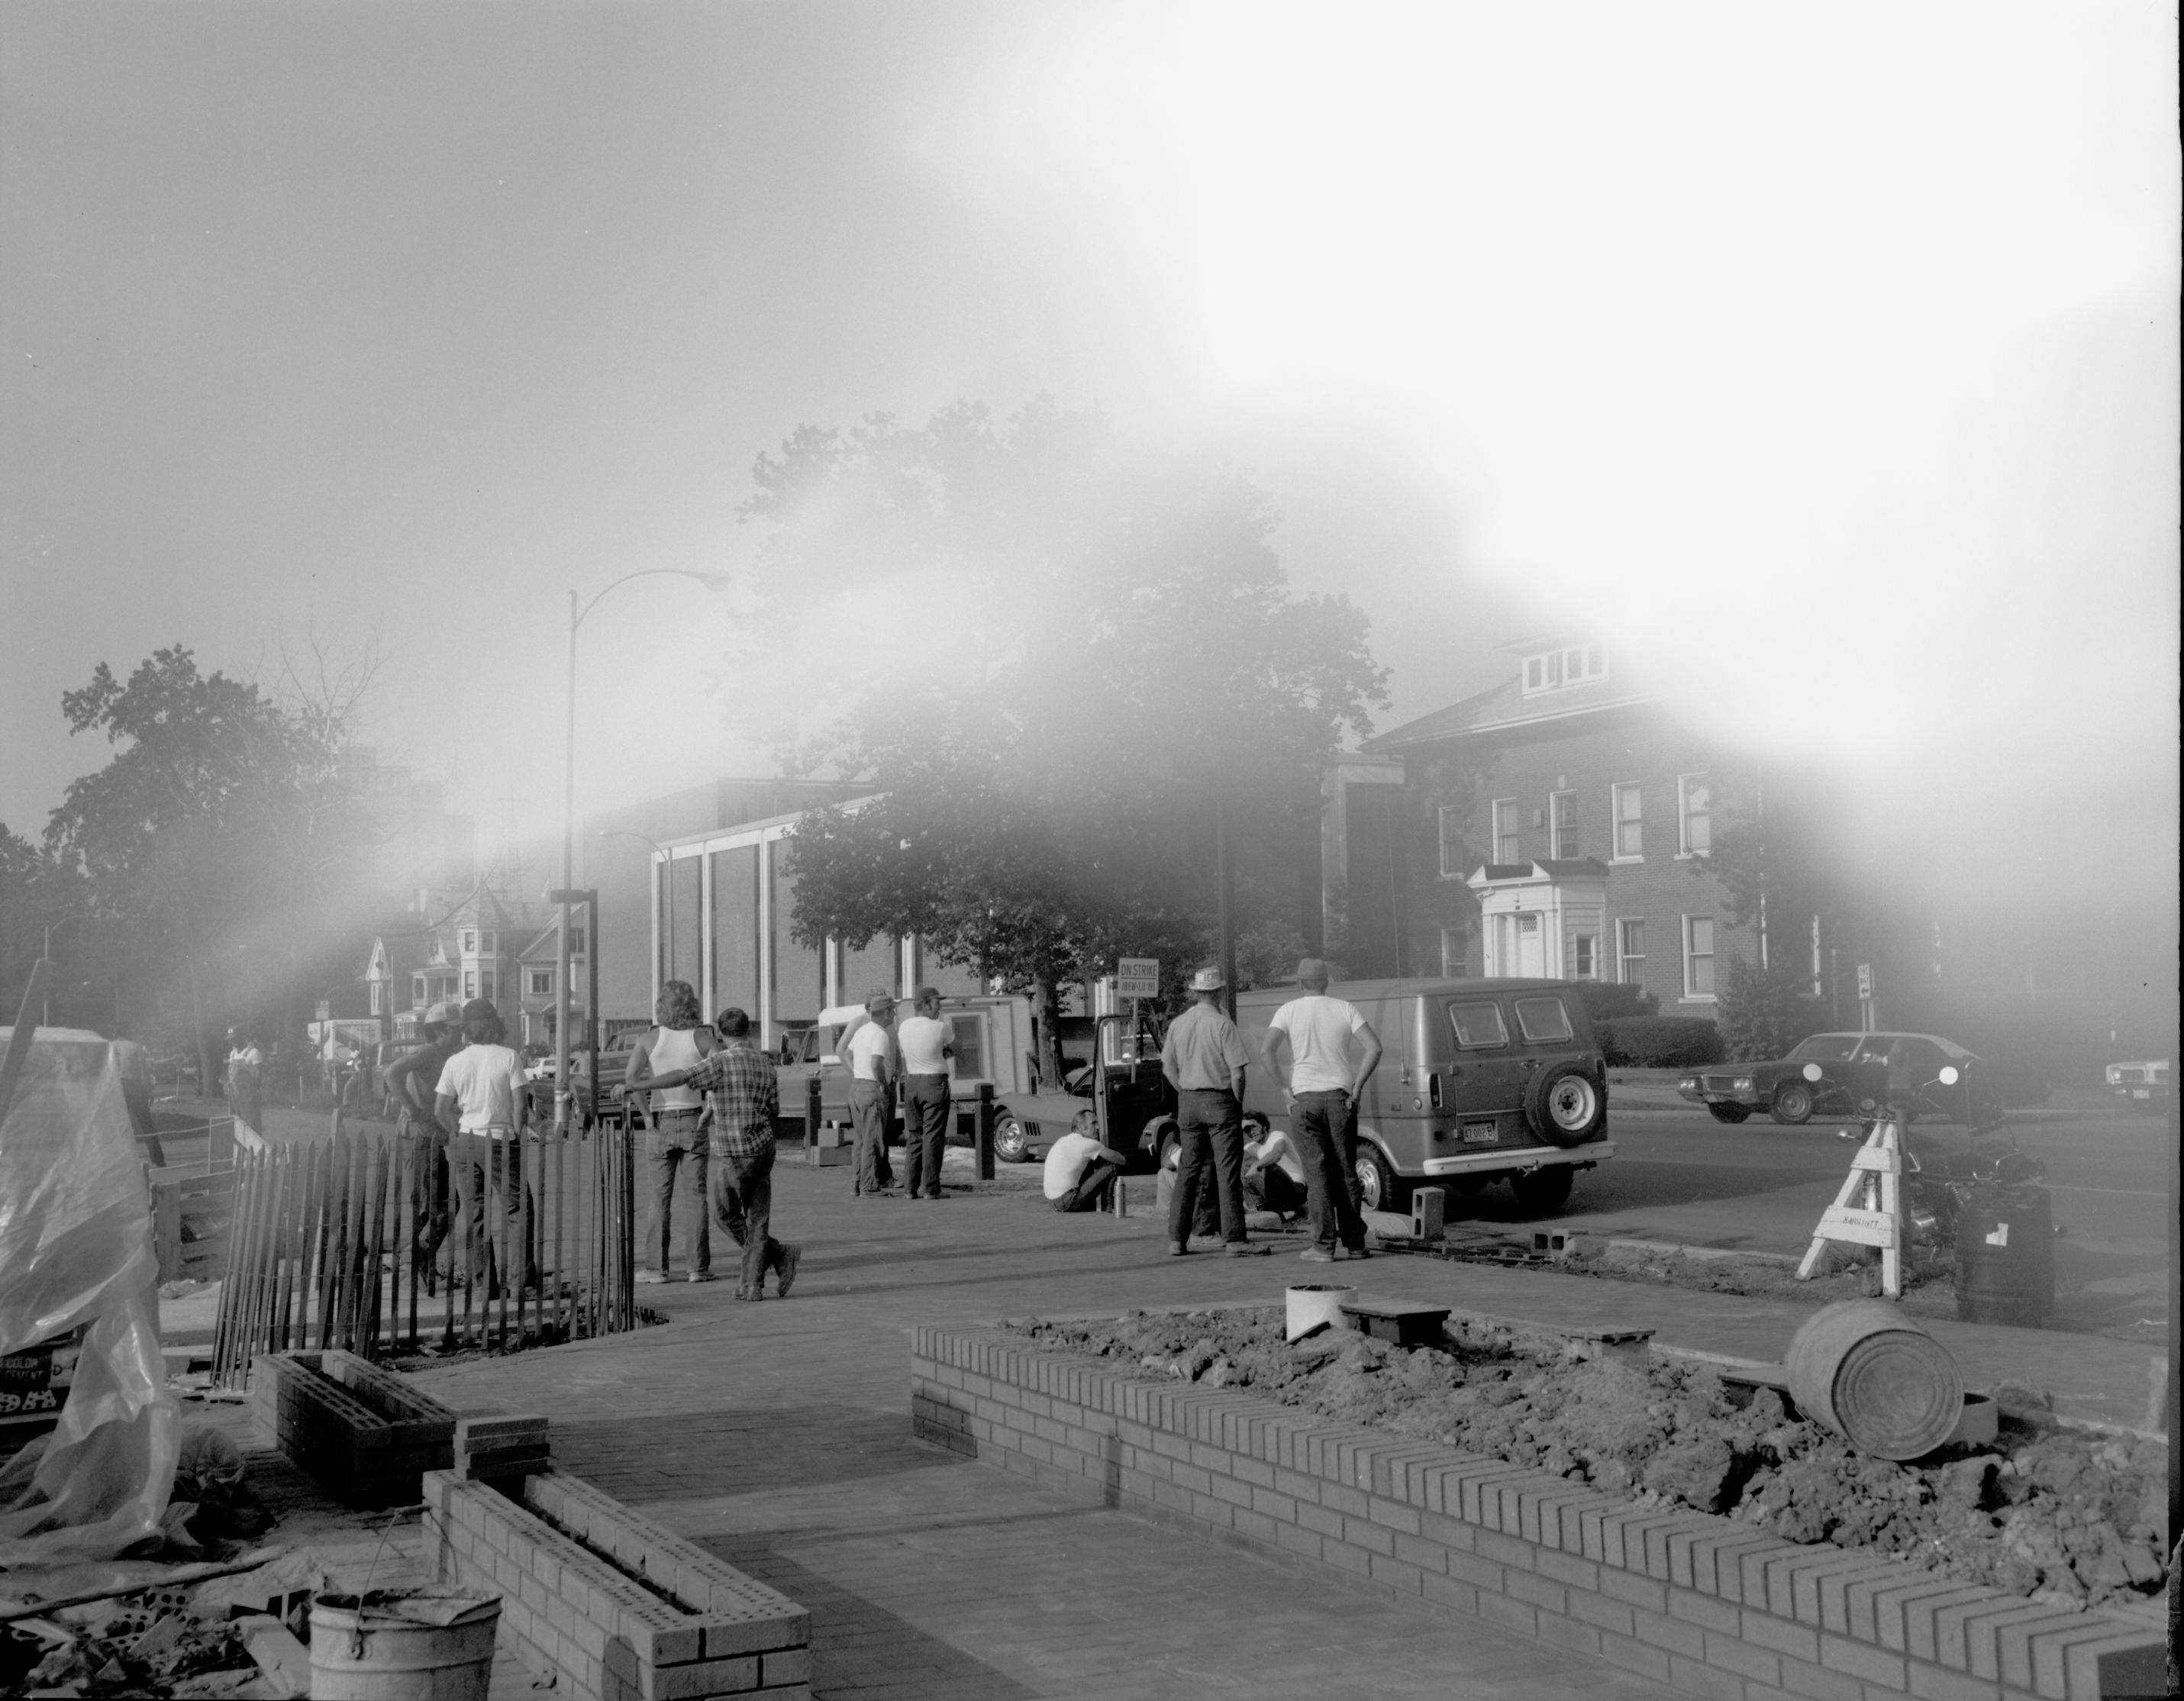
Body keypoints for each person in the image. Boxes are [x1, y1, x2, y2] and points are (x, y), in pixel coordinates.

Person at [641, 1006, 802, 1301]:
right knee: (758, 1218)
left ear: (719, 1033)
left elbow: (681, 1076)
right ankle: (753, 1283)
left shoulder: (720, 1063)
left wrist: (640, 1085)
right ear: (748, 1030)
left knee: (726, 1214)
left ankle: (776, 1256)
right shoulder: (766, 1064)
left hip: (736, 1152)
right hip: (763, 1147)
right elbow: (775, 1109)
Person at [1262, 957, 1384, 1264]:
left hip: (1304, 1100)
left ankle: (1323, 1246)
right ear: (1327, 982)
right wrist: (1357, 1087)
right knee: (1346, 1171)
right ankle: (1356, 1245)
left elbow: (1267, 1051)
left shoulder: (1288, 1010)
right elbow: (1374, 1047)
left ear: (1300, 983)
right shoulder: (1345, 1008)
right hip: (1340, 1098)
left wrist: (1284, 1090)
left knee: (1317, 1175)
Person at [1157, 965, 1267, 1257]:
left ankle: (1177, 1240)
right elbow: (1238, 1073)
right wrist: (1236, 1101)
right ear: (1218, 992)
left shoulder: (1178, 1024)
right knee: (1227, 1172)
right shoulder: (1222, 1024)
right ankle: (1235, 1239)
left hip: (1189, 1101)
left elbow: (1167, 1067)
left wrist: (1185, 1091)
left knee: (1188, 1172)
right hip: (1220, 1101)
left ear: (1195, 992)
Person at [432, 997, 537, 1294]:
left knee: (476, 1212)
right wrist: (516, 1136)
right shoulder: (509, 1057)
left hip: (467, 1138)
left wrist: (459, 1131)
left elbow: (440, 1109)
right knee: (518, 1209)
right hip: (501, 1138)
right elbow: (520, 1106)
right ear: (495, 1024)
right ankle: (520, 1282)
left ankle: (483, 1284)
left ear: (467, 1028)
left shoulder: (455, 1061)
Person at [622, 981, 717, 1283]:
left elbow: (631, 1079)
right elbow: (720, 1073)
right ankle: (697, 1267)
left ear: (661, 1006)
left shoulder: (649, 1039)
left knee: (659, 1198)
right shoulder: (702, 1038)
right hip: (693, 1119)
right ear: (692, 1005)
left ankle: (656, 1268)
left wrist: (647, 1116)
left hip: (662, 1120)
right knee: (696, 1197)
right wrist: (710, 1108)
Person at [384, 1002, 465, 1282]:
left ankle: (419, 1258)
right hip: (419, 1137)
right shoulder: (428, 1052)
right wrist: (411, 1109)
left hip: (432, 1137)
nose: (461, 1034)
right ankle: (412, 1263)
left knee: (447, 1203)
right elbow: (391, 1073)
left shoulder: (448, 1055)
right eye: (456, 1030)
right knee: (427, 1205)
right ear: (440, 1030)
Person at [895, 987, 953, 1200]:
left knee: (915, 1136)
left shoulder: (904, 1026)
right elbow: (960, 1048)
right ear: (925, 1004)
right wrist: (945, 1052)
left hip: (912, 1083)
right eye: (937, 1003)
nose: (940, 1007)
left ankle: (910, 1188)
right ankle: (931, 1188)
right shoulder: (940, 1028)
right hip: (934, 1083)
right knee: (933, 1137)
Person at [846, 989, 898, 1196]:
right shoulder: (880, 1034)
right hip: (872, 1088)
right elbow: (877, 1063)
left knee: (861, 1139)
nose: (894, 1015)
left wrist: (857, 1071)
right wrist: (883, 1083)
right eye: (892, 1011)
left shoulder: (862, 1031)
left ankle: (857, 1181)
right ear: (884, 1012)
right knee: (873, 1139)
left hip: (857, 1087)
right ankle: (869, 1185)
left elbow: (848, 1052)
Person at [1043, 1108, 1128, 1212]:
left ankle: (1090, 1209)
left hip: (1053, 1202)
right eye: (1093, 1123)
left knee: (1090, 1162)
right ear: (1080, 1127)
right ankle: (1108, 1210)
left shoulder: (1063, 1140)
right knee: (1113, 1167)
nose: (1097, 1127)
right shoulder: (1087, 1144)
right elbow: (1120, 1160)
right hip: (1069, 1201)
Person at [1243, 1123, 1309, 1222]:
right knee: (1241, 1169)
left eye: (1254, 1127)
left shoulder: (1278, 1136)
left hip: (1296, 1189)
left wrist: (1255, 1166)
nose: (1251, 1132)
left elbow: (1276, 1155)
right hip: (1273, 1192)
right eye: (1247, 1130)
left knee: (1271, 1168)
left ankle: (1291, 1211)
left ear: (1264, 1125)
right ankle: (1263, 1211)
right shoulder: (1250, 1147)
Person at [224, 1028, 263, 1136]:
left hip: (248, 1094)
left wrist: (252, 1094)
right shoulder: (232, 1054)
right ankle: (239, 1151)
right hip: (233, 1094)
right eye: (231, 1039)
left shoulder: (254, 1053)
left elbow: (258, 1076)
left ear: (243, 1037)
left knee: (251, 1125)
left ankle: (255, 1151)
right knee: (235, 1123)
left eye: (236, 1038)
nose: (233, 1041)